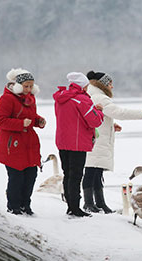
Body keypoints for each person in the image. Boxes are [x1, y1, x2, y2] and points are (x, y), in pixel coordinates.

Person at [82, 70, 142, 213]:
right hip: (97, 140)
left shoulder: (92, 95)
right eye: (110, 84)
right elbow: (118, 112)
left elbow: (101, 116)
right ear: (103, 85)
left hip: (96, 138)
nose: (112, 87)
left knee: (96, 172)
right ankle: (89, 203)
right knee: (92, 172)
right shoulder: (100, 97)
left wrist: (111, 125)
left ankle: (99, 203)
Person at [0, 68, 46, 215]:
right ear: (18, 85)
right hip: (13, 144)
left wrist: (38, 121)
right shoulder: (7, 99)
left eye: (31, 86)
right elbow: (0, 120)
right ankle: (14, 206)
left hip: (28, 144)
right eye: (26, 86)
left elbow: (31, 116)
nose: (29, 89)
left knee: (31, 175)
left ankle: (25, 205)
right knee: (16, 177)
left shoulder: (30, 98)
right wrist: (20, 124)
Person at [53, 72, 104, 217]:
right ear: (83, 85)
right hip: (77, 143)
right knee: (76, 176)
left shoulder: (60, 98)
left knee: (67, 174)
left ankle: (70, 206)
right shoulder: (81, 99)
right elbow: (95, 121)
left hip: (62, 141)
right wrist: (98, 111)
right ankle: (75, 208)